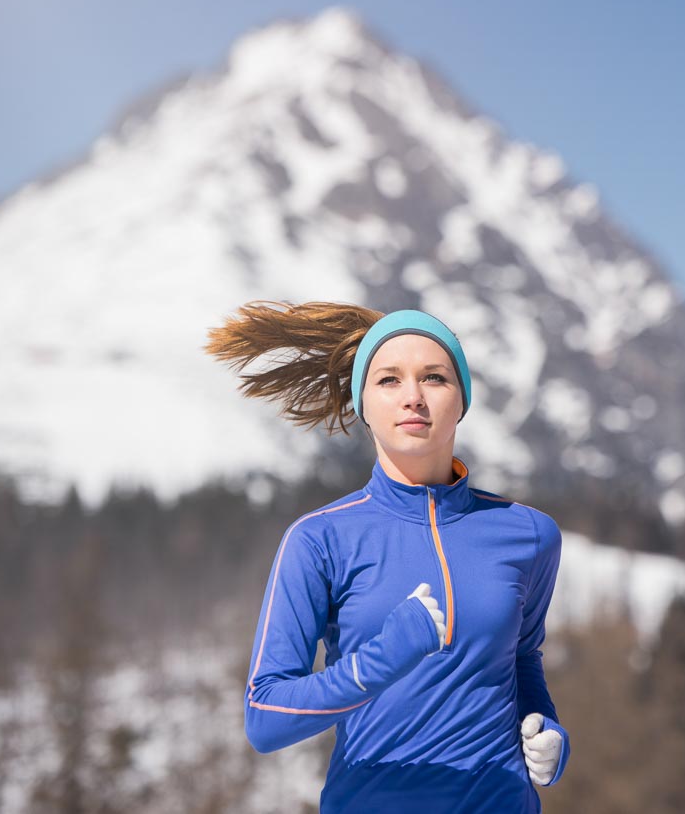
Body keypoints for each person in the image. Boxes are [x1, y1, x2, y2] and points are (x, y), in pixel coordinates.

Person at [207, 301, 570, 812]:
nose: (414, 398)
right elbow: (265, 717)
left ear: (462, 398)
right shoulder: (318, 539)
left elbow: (522, 656)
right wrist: (381, 661)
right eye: (389, 381)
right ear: (363, 404)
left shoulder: (530, 534)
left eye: (435, 378)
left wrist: (544, 724)